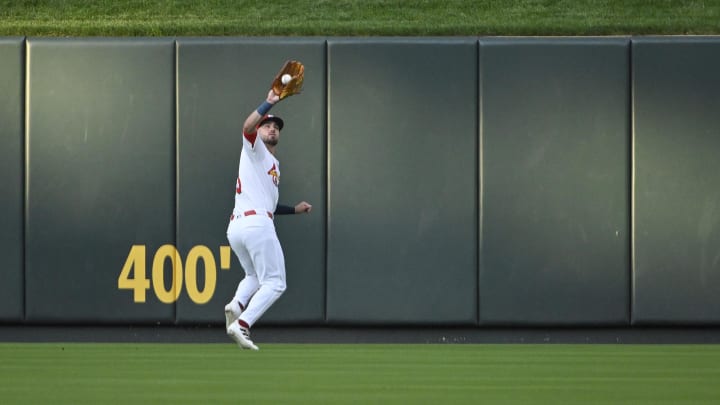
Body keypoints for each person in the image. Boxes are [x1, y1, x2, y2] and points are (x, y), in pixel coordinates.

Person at [224, 87, 311, 350]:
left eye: (275, 127)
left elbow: (270, 205)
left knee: (254, 275)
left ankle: (236, 305)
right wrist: (268, 103)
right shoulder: (255, 149)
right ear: (260, 133)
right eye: (267, 126)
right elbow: (247, 127)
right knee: (275, 283)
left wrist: (294, 210)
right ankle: (242, 324)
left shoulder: (273, 164)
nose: (271, 128)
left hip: (238, 226)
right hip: (256, 225)